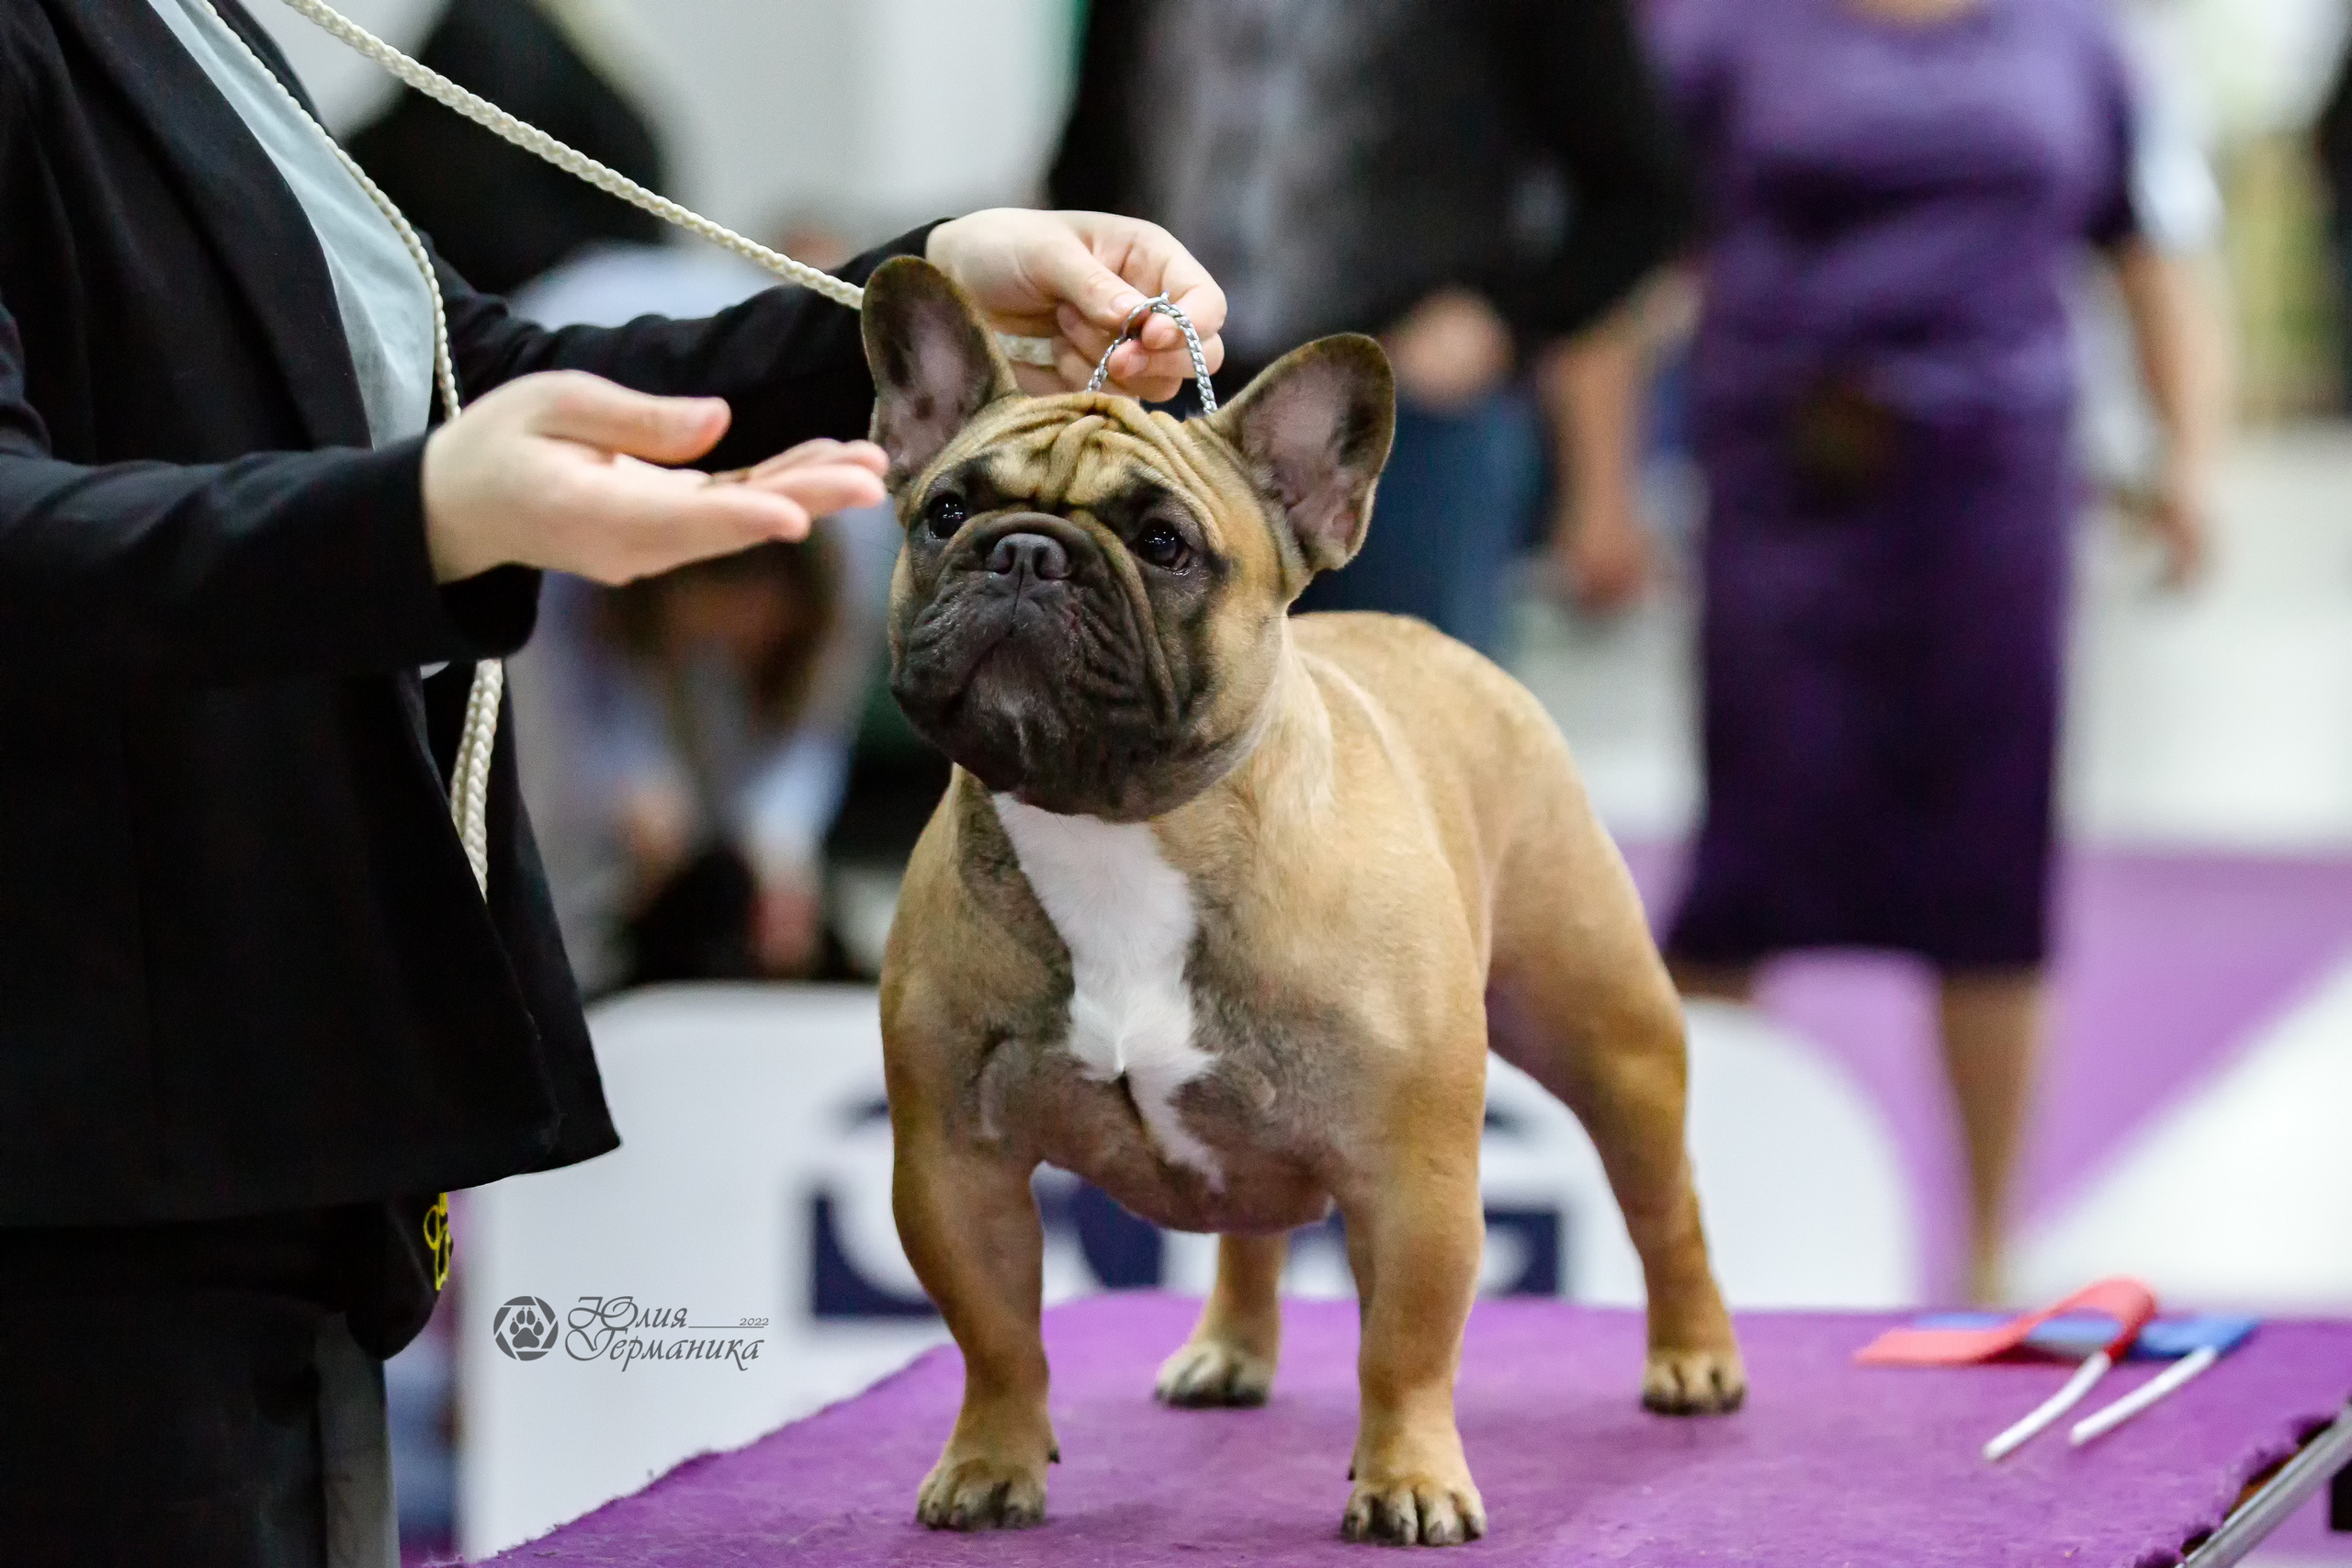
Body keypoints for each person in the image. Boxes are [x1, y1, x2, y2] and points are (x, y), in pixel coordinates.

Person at [0, 1, 1226, 1562]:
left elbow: (465, 374)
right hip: (100, 1153)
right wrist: (424, 520)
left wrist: (926, 298)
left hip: (244, 1111)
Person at [1577, 0, 2215, 1304]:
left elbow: (2150, 251)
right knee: (1749, 853)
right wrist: (1601, 485)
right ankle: (1692, 1223)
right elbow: (1629, 255)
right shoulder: (1718, 32)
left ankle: (1989, 1240)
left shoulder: (2075, 37)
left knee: (1991, 861)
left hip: (1996, 487)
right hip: (1787, 477)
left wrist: (2190, 452)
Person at [1046, 0, 1693, 659]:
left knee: (1407, 727)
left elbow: (1642, 197)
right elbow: (1095, 155)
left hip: (1406, 435)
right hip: (1171, 414)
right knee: (1144, 719)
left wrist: (1504, 318)